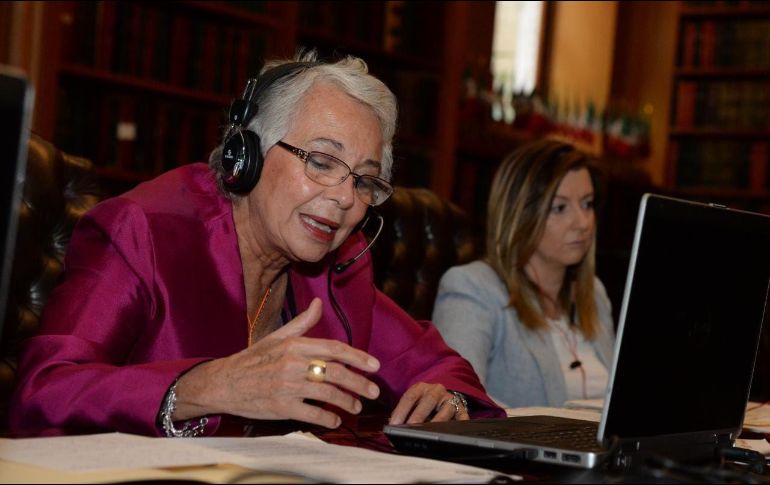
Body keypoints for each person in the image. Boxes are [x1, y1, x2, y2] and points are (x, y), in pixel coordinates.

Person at [9, 51, 504, 438]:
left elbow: (440, 365)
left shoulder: (338, 267)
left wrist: (449, 399)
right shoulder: (143, 230)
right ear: (247, 154)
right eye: (321, 161)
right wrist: (207, 387)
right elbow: (43, 391)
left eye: (364, 180)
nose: (343, 199)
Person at [432, 140, 615, 409]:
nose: (583, 223)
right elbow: (459, 396)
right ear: (521, 214)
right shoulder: (473, 287)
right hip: (527, 449)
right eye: (560, 207)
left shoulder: (595, 294)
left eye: (587, 204)